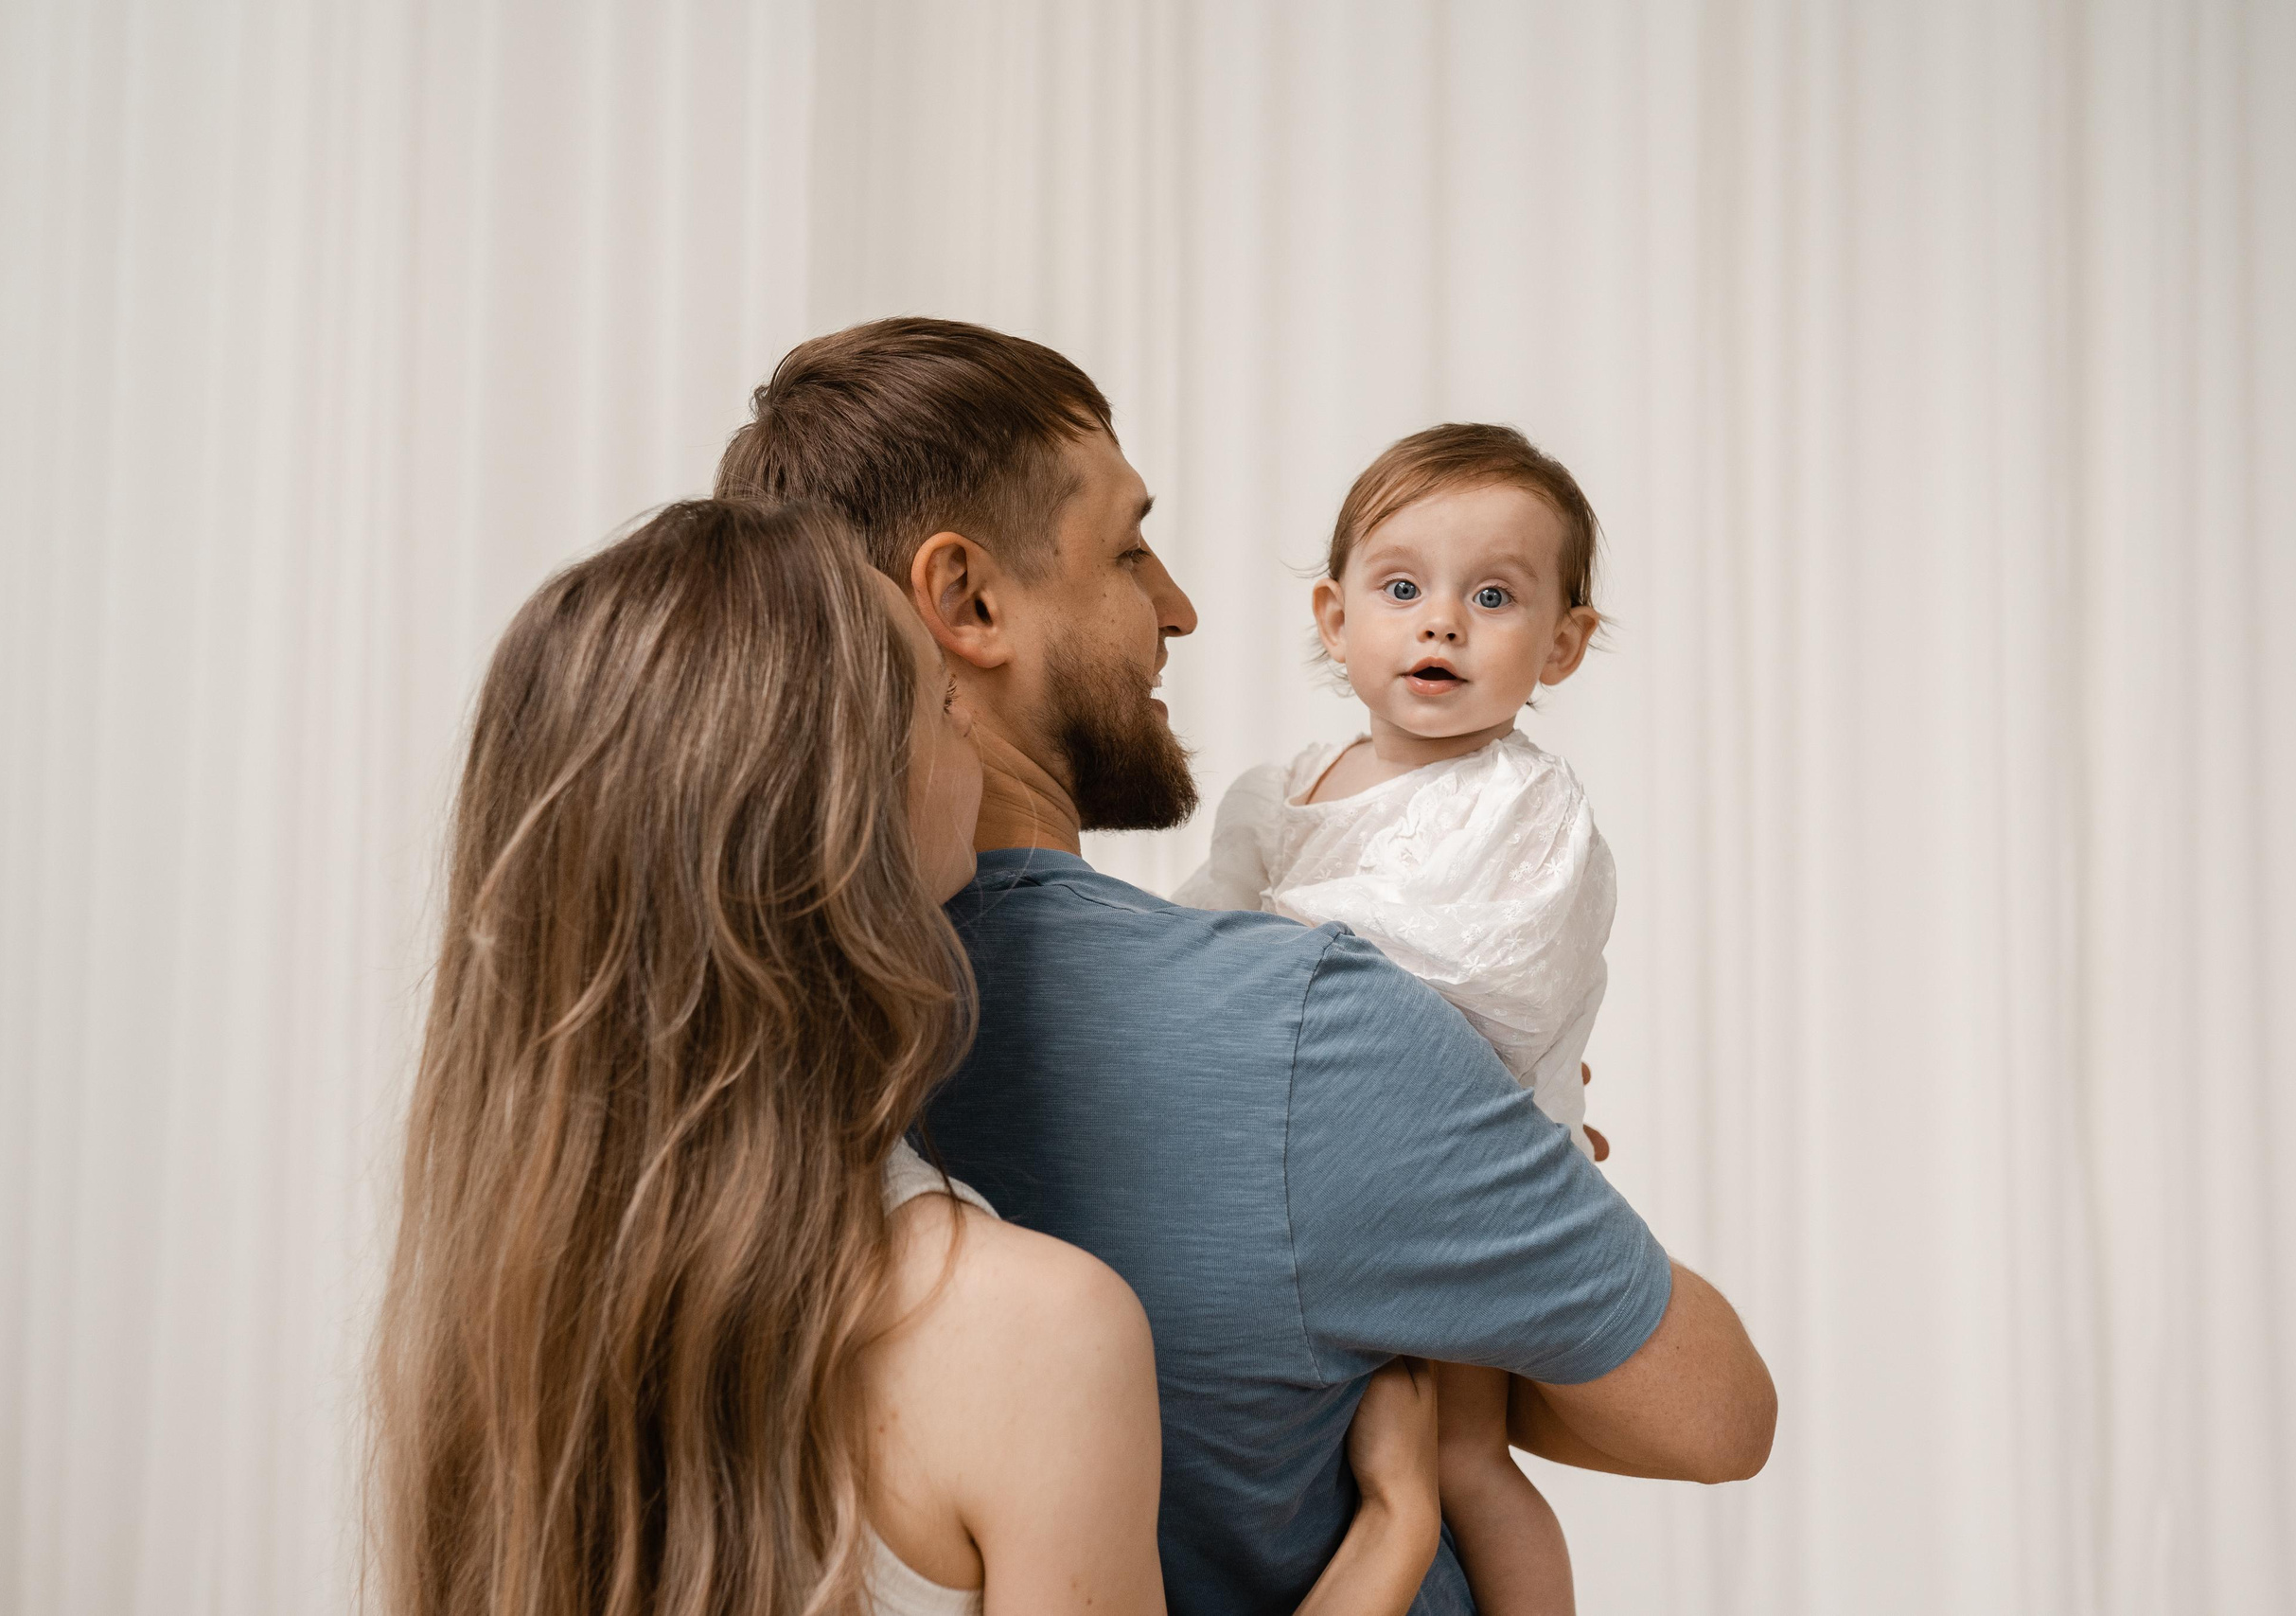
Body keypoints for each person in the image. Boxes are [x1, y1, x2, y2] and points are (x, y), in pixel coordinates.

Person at [715, 318, 1778, 1615]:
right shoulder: (1311, 1025)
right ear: (970, 602)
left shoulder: (744, 1024)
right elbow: (1717, 1415)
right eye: (1127, 547)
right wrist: (1474, 1175)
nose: (1179, 605)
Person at [370, 499, 1450, 1616]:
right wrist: (1393, 1527)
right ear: (846, 810)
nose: (974, 739)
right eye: (940, 704)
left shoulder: (490, 1303)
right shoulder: (1035, 1329)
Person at [1176, 423, 1619, 1613]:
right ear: (1335, 618)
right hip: (1310, 1162)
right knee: (1345, 1434)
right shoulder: (1281, 793)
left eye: (1492, 596)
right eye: (1403, 587)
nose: (1441, 623)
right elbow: (1194, 944)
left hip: (1468, 1168)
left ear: (1562, 646)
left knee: (1464, 1448)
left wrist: (1262, 959)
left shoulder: (1524, 802)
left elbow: (1470, 966)